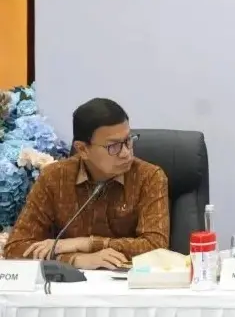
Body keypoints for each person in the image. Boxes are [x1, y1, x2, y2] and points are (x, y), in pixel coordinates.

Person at [3, 98, 170, 268]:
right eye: (113, 146)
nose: (126, 153)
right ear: (82, 149)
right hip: (70, 282)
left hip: (130, 281)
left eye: (128, 140)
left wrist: (86, 243)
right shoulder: (54, 178)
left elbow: (156, 247)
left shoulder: (149, 177)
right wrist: (74, 260)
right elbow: (16, 248)